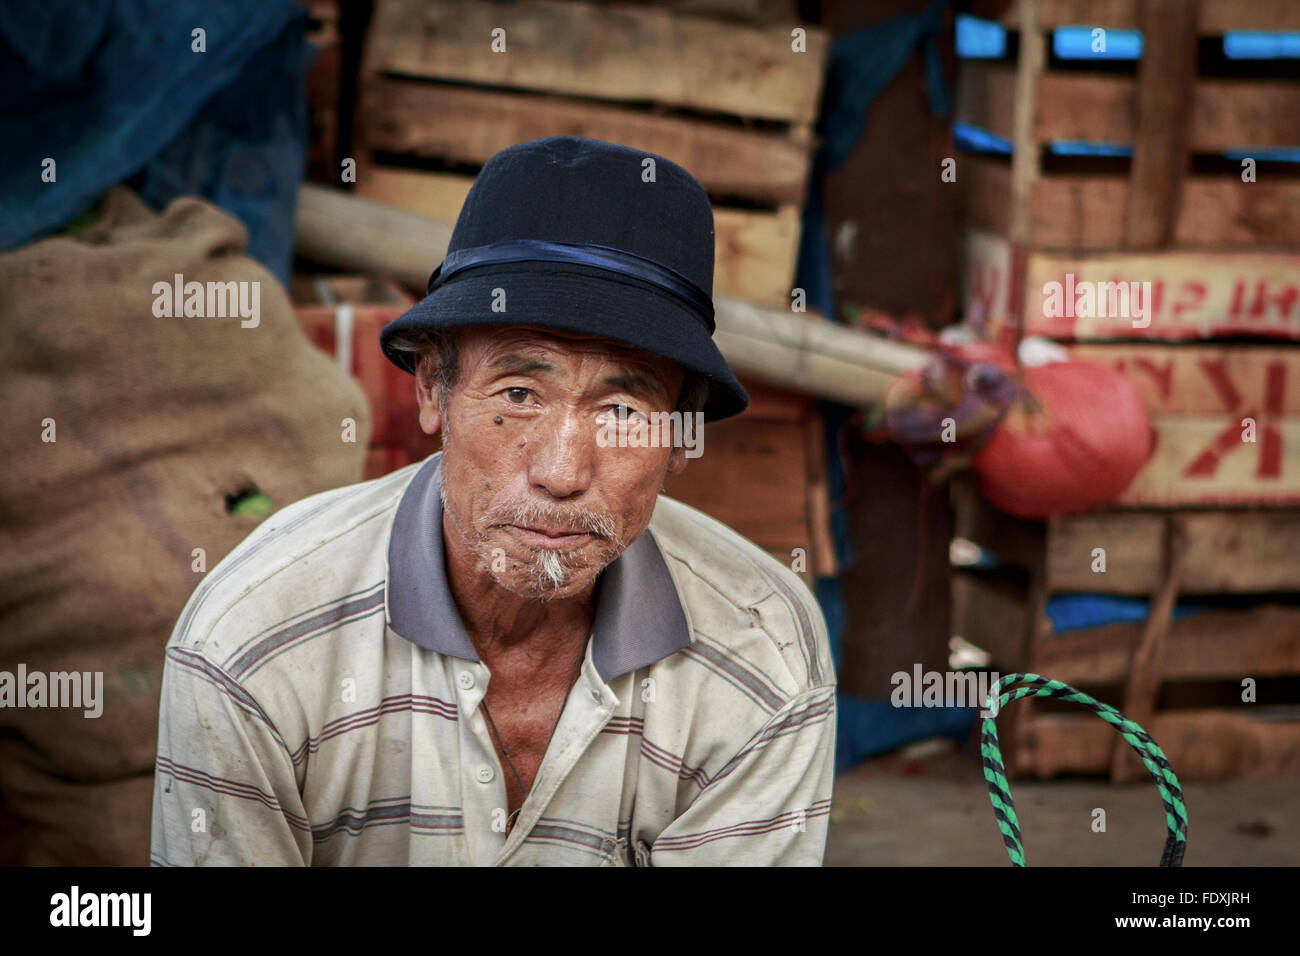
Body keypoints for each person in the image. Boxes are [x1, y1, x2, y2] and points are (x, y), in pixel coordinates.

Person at [150, 136, 836, 866]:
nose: (561, 472)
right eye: (517, 394)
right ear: (431, 390)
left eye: (624, 412)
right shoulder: (256, 637)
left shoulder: (764, 652)